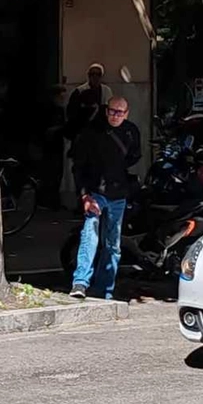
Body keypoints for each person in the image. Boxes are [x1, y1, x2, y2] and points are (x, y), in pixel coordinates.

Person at [69, 96, 140, 300]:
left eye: (120, 112)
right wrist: (84, 195)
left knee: (113, 243)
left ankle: (105, 289)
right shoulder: (92, 132)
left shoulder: (131, 132)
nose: (115, 115)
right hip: (95, 192)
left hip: (119, 193)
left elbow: (134, 157)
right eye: (112, 111)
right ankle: (80, 282)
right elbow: (78, 166)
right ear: (106, 110)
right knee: (90, 235)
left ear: (126, 114)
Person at [64, 62, 114, 142]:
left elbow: (109, 108)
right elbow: (71, 112)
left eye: (98, 74)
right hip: (82, 129)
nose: (95, 77)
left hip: (100, 130)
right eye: (92, 74)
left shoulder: (106, 90)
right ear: (88, 75)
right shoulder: (79, 91)